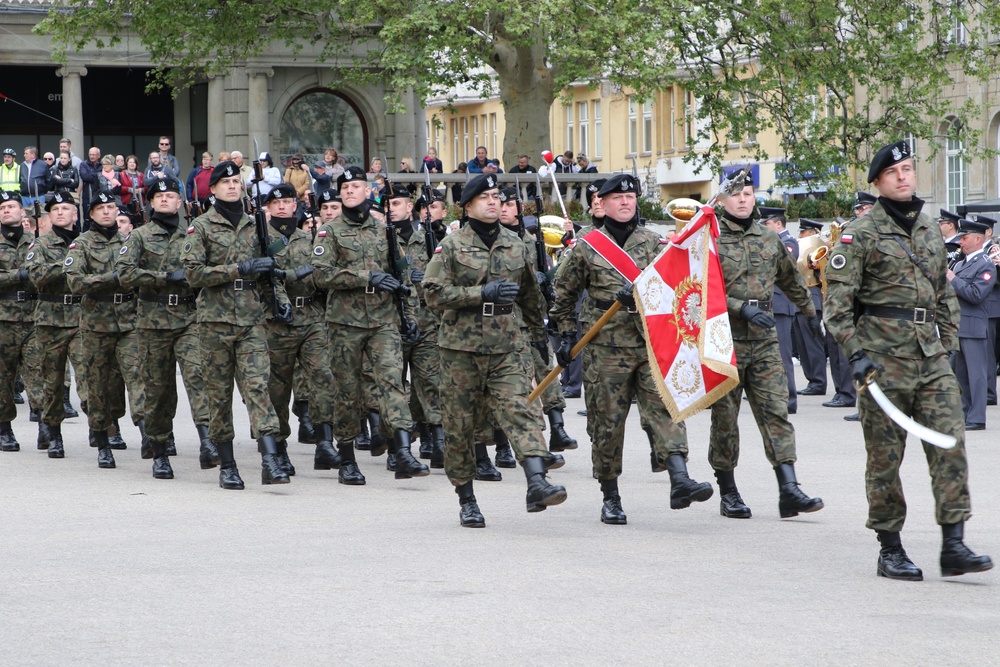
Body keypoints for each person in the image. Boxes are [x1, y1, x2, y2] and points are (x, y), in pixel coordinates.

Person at [825, 139, 992, 581]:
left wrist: (950, 346)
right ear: (878, 181)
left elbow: (943, 295)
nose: (904, 176)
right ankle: (890, 548)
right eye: (894, 172)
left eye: (909, 169)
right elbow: (837, 308)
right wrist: (855, 357)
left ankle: (953, 544)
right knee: (885, 458)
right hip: (881, 360)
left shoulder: (929, 229)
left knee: (950, 444)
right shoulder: (858, 235)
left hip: (930, 356)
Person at [551, 174, 711, 524]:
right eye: (617, 198)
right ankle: (610, 496)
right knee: (607, 424)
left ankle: (679, 478)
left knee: (666, 410)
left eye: (630, 197)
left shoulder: (655, 244)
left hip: (650, 343)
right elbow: (562, 297)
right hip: (605, 348)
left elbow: (676, 286)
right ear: (602, 204)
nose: (625, 203)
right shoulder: (587, 246)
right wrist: (565, 338)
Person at [424, 173, 567, 527]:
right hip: (461, 350)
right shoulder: (452, 246)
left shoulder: (518, 243)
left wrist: (540, 336)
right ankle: (467, 498)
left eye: (496, 197)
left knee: (522, 410)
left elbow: (531, 295)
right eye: (484, 197)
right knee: (460, 426)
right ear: (468, 205)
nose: (493, 202)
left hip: (507, 346)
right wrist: (479, 294)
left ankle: (536, 481)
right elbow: (432, 294)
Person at [710, 170, 824, 520]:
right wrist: (739, 308)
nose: (743, 199)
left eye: (748, 192)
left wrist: (812, 315)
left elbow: (791, 279)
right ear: (723, 199)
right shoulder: (709, 238)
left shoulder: (767, 238)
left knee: (775, 411)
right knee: (726, 420)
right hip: (723, 340)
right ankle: (728, 491)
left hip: (763, 340)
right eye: (735, 194)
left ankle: (788, 488)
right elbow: (700, 288)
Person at [312, 166, 429, 484]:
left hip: (383, 320)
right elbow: (321, 275)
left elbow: (404, 277)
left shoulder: (384, 230)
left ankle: (402, 451)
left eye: (356, 186)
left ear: (368, 191)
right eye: (345, 187)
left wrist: (411, 317)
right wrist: (365, 277)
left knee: (392, 384)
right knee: (348, 391)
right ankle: (347, 458)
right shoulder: (330, 231)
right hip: (344, 322)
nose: (350, 191)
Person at [181, 160, 293, 489]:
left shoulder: (256, 225)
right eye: (225, 181)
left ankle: (270, 459)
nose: (232, 185)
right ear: (212, 189)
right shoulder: (199, 227)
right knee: (219, 395)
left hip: (250, 321)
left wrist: (281, 301)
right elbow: (193, 275)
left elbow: (271, 275)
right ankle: (227, 464)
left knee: (259, 388)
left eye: (236, 181)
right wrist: (238, 269)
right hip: (214, 322)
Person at [118, 176, 218, 478]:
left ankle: (208, 442)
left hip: (189, 318)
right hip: (152, 322)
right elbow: (124, 273)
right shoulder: (139, 236)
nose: (165, 200)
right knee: (158, 389)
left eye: (171, 195)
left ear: (180, 202)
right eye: (159, 196)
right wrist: (162, 278)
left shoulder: (194, 233)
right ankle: (160, 451)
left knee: (199, 377)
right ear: (150, 202)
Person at [260, 184, 338, 475]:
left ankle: (325, 442)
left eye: (288, 201)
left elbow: (323, 271)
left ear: (296, 205)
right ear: (268, 207)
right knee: (277, 388)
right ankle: (279, 448)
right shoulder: (261, 238)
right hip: (276, 321)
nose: (282, 206)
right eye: (276, 202)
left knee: (324, 376)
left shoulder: (310, 238)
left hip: (311, 317)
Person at [65, 190, 145, 470]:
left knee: (138, 376)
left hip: (129, 322)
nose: (107, 212)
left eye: (111, 207)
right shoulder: (81, 244)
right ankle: (102, 440)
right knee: (98, 385)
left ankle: (149, 434)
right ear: (91, 214)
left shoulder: (131, 241)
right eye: (101, 208)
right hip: (96, 324)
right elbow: (76, 283)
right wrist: (112, 278)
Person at [497, 186, 577, 455]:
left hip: (532, 319)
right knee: (513, 383)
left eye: (510, 204)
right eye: (502, 204)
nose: (505, 208)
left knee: (546, 370)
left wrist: (546, 285)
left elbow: (545, 278)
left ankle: (558, 427)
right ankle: (518, 442)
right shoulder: (493, 240)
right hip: (505, 320)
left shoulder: (533, 241)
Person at [386, 184, 445, 469]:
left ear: (410, 207)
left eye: (397, 203)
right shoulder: (382, 240)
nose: (392, 208)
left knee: (431, 382)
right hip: (394, 322)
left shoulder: (430, 240)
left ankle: (438, 439)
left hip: (427, 323)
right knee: (394, 385)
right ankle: (397, 445)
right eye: (388, 204)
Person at [26, 190, 84, 457]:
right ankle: (54, 433)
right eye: (56, 210)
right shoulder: (40, 245)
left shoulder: (86, 241)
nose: (61, 213)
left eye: (66, 208)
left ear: (75, 213)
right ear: (50, 216)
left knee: (90, 377)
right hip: (51, 320)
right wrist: (68, 265)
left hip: (84, 319)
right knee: (53, 381)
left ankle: (102, 432)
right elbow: (36, 275)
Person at [0, 190, 41, 452]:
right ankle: (5, 429)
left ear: (22, 212)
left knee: (40, 374)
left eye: (11, 206)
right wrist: (19, 274)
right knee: (3, 378)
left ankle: (46, 427)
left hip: (34, 316)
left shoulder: (37, 242)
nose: (6, 210)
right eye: (2, 207)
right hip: (3, 318)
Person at [946, 218, 995, 430]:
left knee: (976, 375)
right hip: (958, 325)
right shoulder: (959, 263)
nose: (960, 243)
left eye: (964, 238)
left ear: (977, 238)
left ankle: (977, 418)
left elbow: (976, 294)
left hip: (974, 326)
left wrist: (952, 279)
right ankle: (965, 414)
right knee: (962, 375)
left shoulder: (986, 264)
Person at [758, 207, 800, 414]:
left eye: (766, 224)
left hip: (782, 305)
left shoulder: (789, 242)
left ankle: (790, 399)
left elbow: (780, 267)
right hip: (769, 304)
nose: (763, 228)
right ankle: (774, 395)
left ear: (778, 224)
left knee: (783, 355)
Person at [792, 218, 829, 397]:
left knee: (812, 342)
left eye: (803, 232)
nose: (800, 236)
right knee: (802, 344)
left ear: (813, 233)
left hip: (812, 296)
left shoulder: (819, 249)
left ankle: (818, 381)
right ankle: (812, 380)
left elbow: (821, 273)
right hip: (800, 299)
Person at [118, 155, 144, 223]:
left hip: (139, 203)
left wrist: (141, 190)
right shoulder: (121, 174)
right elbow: (119, 188)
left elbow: (146, 187)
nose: (132, 164)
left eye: (134, 162)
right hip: (127, 202)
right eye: (130, 162)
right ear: (127, 163)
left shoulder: (141, 175)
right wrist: (130, 190)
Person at [79, 147, 103, 215]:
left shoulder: (102, 165)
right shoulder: (83, 164)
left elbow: (103, 177)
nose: (91, 156)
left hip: (99, 193)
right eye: (90, 154)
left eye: (93, 155)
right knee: (87, 216)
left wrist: (91, 174)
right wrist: (98, 174)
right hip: (87, 195)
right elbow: (85, 177)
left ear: (98, 155)